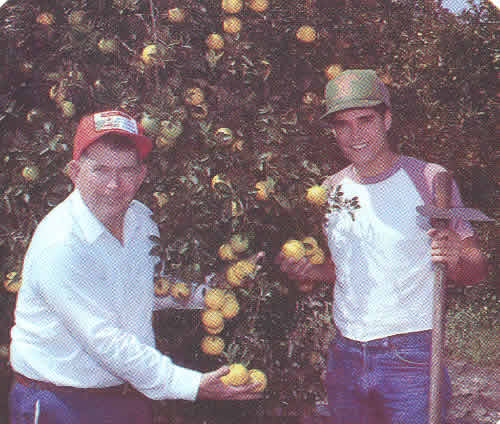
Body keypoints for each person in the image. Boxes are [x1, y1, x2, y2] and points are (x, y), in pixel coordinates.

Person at [9, 110, 261, 424]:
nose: (114, 184)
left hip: (126, 397)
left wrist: (215, 287)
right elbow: (104, 340)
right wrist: (191, 385)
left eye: (126, 170)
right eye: (100, 170)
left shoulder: (141, 220)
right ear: (74, 172)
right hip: (62, 404)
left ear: (142, 175)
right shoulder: (61, 244)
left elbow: (149, 289)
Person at [277, 70, 488, 423]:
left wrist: (456, 257)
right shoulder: (329, 191)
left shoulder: (429, 180)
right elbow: (345, 267)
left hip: (411, 357)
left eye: (365, 120)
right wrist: (310, 270)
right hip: (345, 356)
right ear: (333, 131)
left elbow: (476, 267)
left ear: (387, 120)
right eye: (342, 124)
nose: (355, 134)